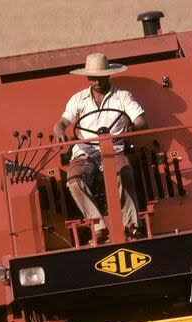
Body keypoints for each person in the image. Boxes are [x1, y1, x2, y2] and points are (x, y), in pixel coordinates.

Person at [53, 53, 148, 243]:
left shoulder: (122, 97)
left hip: (114, 150)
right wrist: (60, 130)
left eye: (100, 76)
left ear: (108, 75)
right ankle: (98, 227)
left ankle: (131, 225)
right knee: (73, 181)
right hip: (84, 152)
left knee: (124, 173)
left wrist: (134, 126)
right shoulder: (78, 99)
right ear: (87, 78)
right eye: (92, 77)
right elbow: (62, 122)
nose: (96, 81)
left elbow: (141, 120)